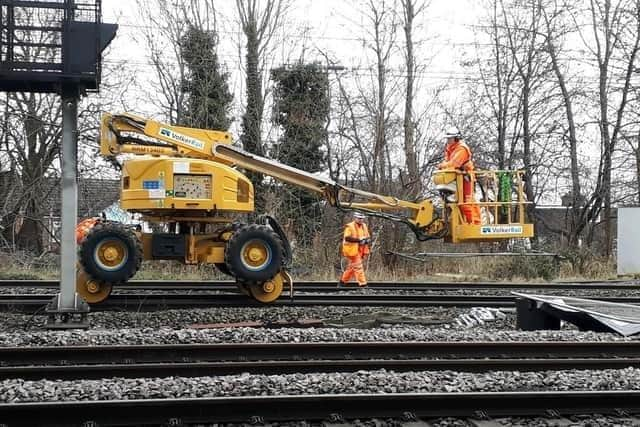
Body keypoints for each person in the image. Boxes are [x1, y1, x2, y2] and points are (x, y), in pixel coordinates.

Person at [438, 126, 481, 225]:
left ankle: (475, 223)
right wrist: (443, 165)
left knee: (466, 203)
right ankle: (467, 222)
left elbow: (454, 164)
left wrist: (442, 166)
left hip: (466, 178)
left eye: (450, 138)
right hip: (458, 178)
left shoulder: (462, 149)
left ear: (456, 138)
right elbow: (447, 161)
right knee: (457, 202)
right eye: (447, 138)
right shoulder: (450, 148)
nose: (448, 140)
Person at [338, 211, 371, 287]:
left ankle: (342, 282)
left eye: (362, 218)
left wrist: (367, 240)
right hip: (352, 250)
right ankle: (363, 285)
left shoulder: (364, 226)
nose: (361, 220)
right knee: (358, 266)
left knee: (351, 267)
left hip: (360, 250)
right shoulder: (350, 226)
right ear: (355, 218)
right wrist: (359, 240)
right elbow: (347, 238)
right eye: (359, 218)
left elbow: (367, 236)